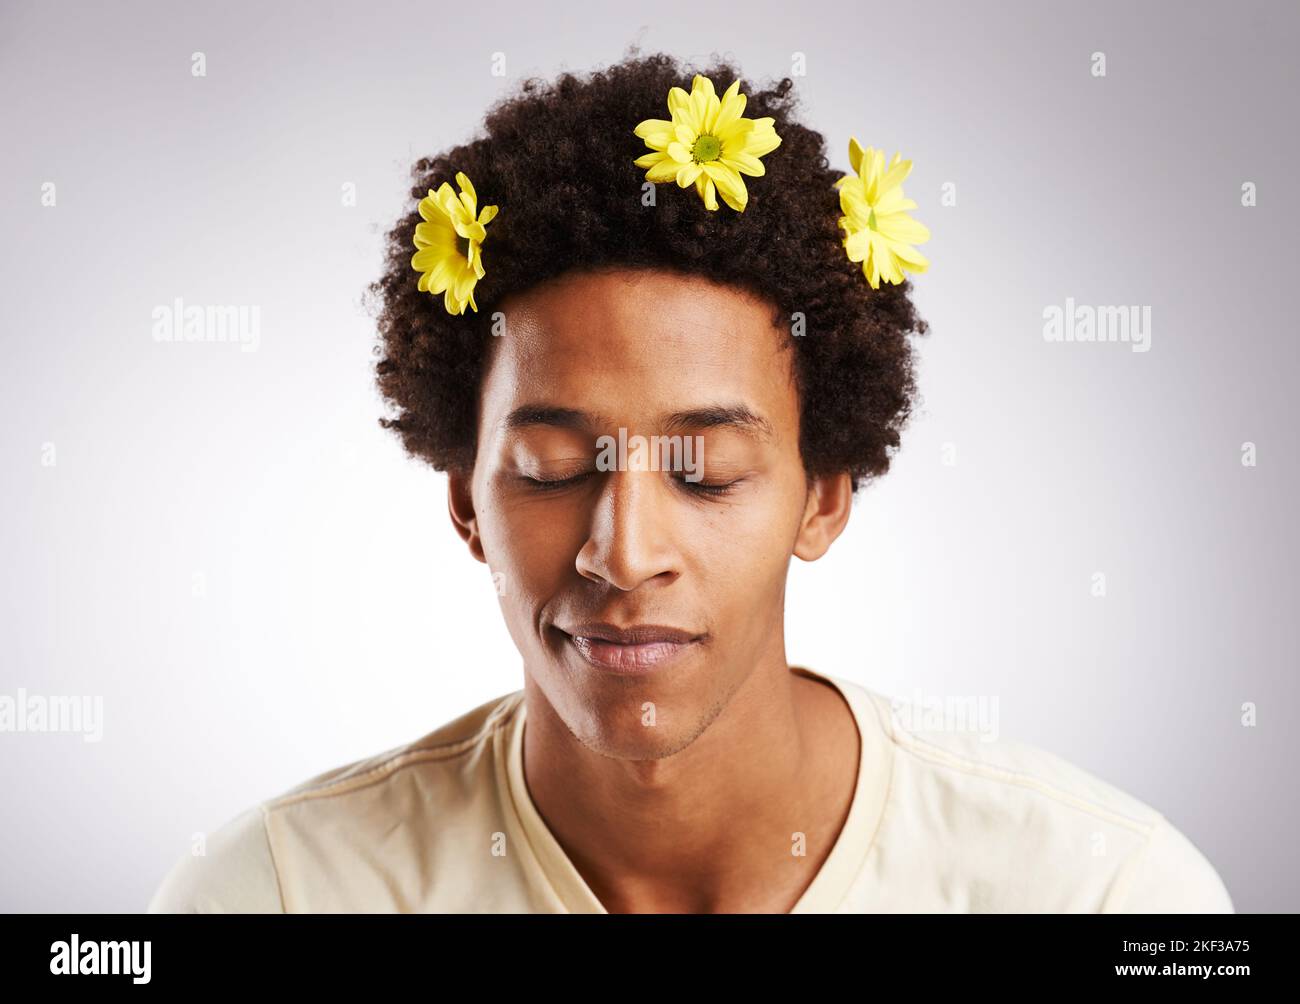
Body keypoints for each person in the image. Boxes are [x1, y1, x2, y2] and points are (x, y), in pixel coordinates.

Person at [148, 50, 1232, 914]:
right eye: (552, 467)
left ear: (823, 496)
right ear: (465, 499)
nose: (622, 551)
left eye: (704, 472)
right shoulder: (274, 895)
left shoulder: (1103, 894)